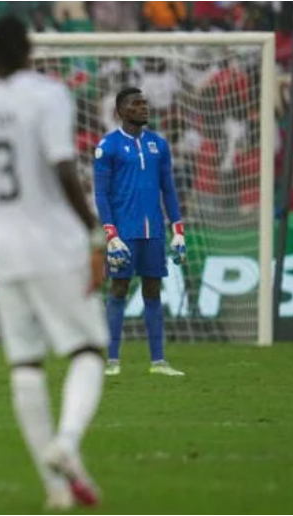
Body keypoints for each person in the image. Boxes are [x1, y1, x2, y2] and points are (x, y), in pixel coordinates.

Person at [0, 15, 108, 510]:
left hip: (0, 248)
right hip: (54, 242)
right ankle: (68, 442)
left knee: (25, 364)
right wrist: (94, 232)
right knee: (88, 351)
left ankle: (55, 490)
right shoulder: (48, 95)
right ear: (29, 51)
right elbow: (62, 166)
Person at [93, 87, 187, 377]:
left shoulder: (158, 144)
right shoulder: (107, 146)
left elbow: (168, 190)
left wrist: (178, 229)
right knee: (119, 289)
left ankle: (158, 361)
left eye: (145, 103)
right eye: (136, 104)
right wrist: (111, 233)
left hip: (154, 231)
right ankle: (111, 360)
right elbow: (101, 194)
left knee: (153, 290)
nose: (144, 107)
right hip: (124, 232)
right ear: (121, 111)